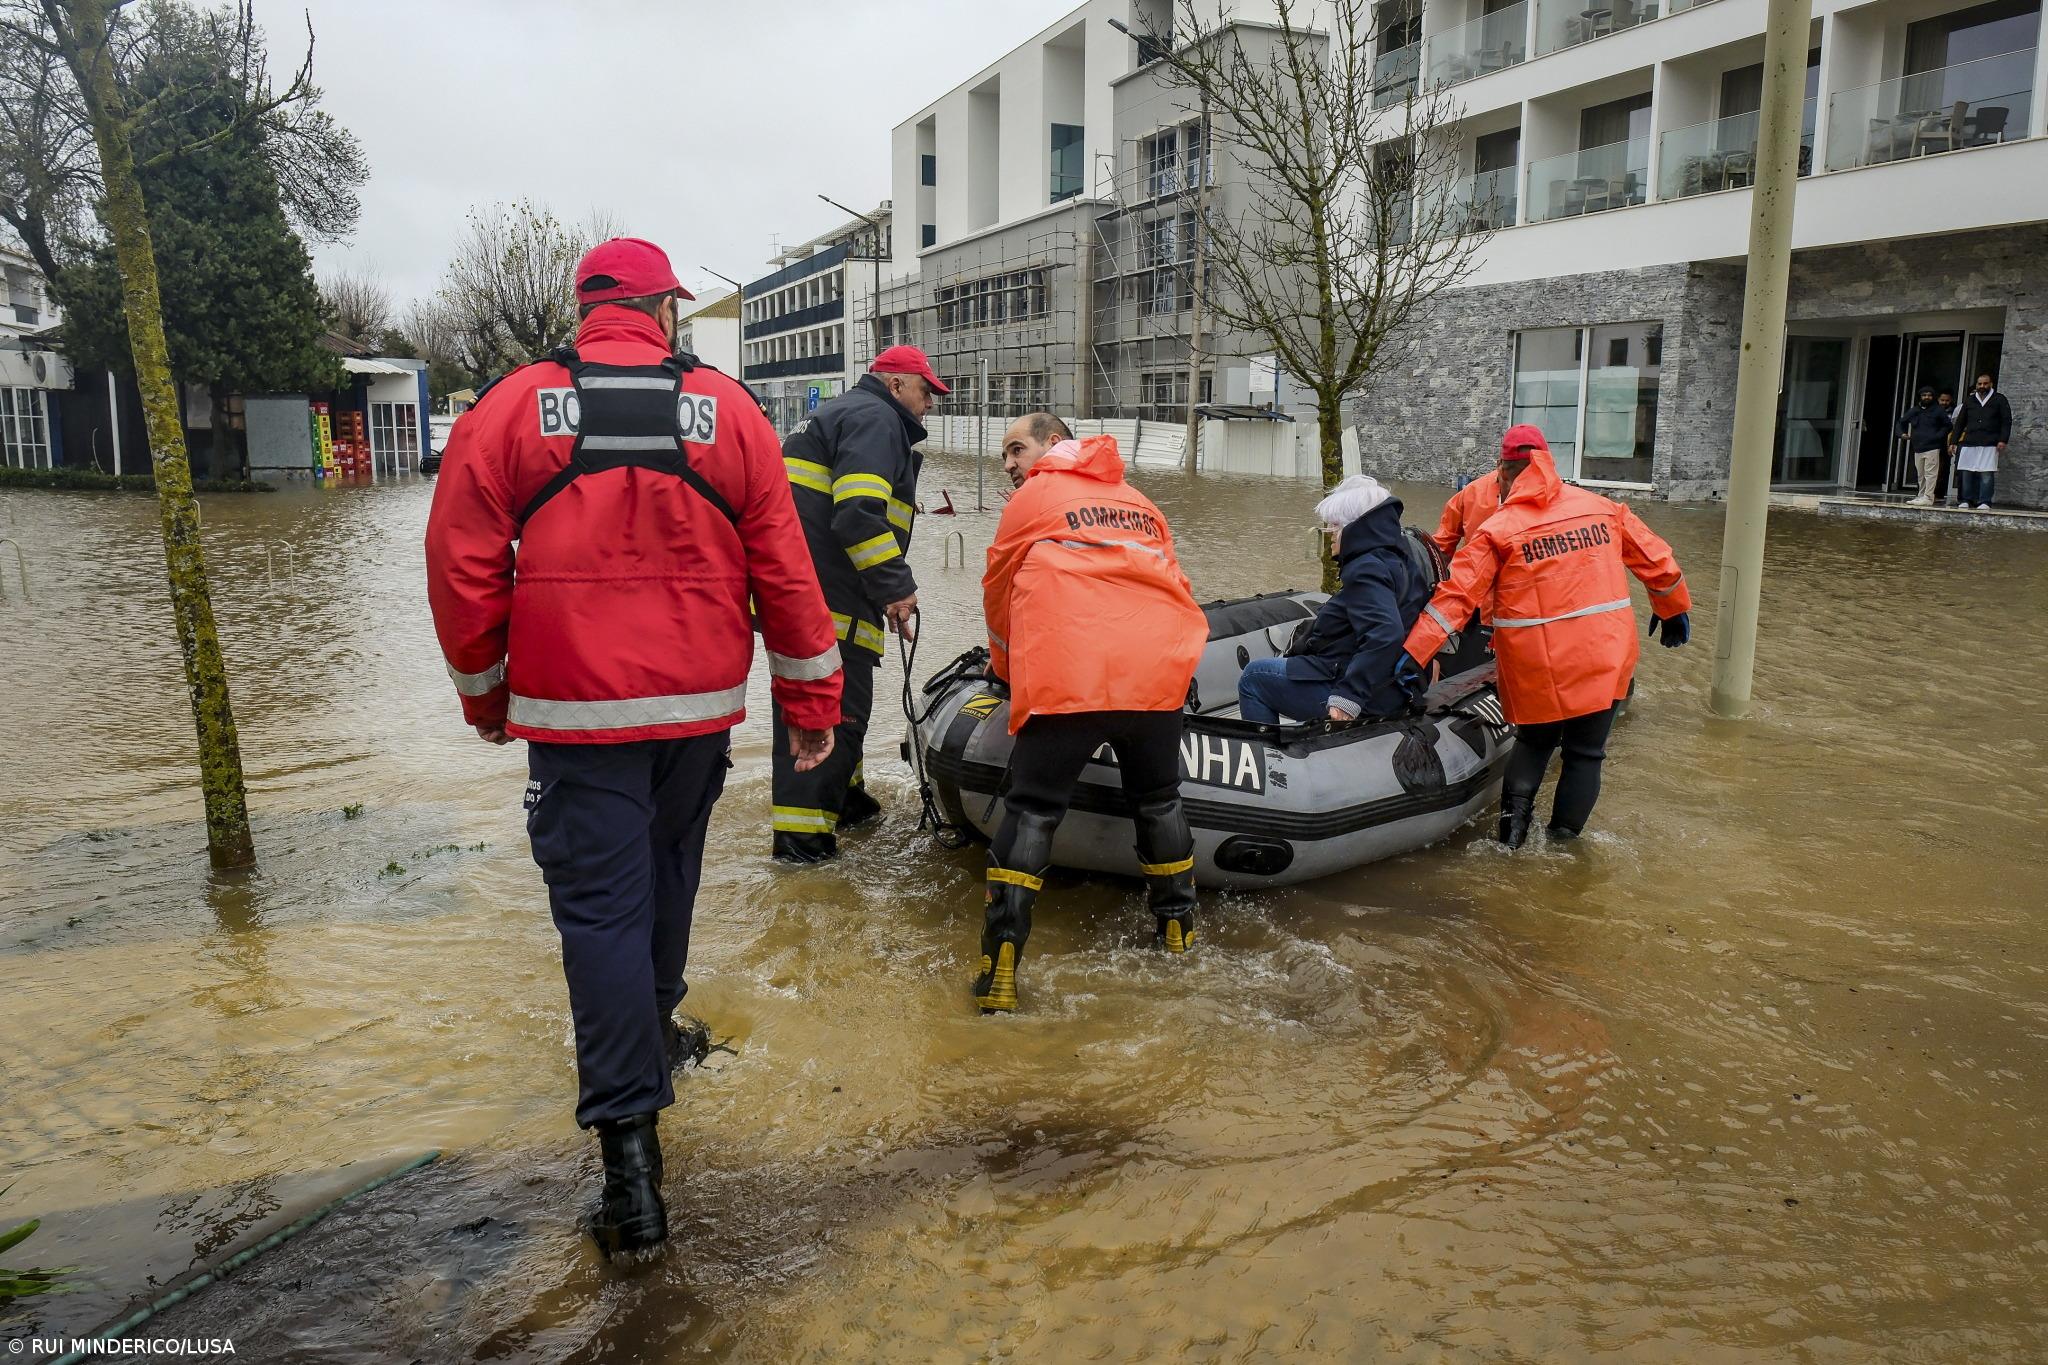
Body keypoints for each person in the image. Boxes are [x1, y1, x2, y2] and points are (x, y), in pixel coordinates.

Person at [424, 237, 843, 1260]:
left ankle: (630, 1176)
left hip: (575, 718)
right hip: (698, 710)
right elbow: (784, 564)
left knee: (602, 916)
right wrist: (810, 694)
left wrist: (486, 695)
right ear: (659, 310)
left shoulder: (511, 409)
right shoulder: (730, 411)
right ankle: (653, 1047)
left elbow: (459, 563)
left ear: (584, 311)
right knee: (666, 882)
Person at [977, 424, 1208, 1013]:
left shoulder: (1035, 497)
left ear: (1051, 446)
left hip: (1073, 672)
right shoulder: (1141, 503)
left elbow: (999, 593)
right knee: (1158, 799)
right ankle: (1177, 934)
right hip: (1157, 672)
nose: (1007, 464)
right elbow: (1175, 583)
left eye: (1014, 450)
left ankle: (999, 968)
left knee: (1032, 809)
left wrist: (1005, 672)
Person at [1395, 424, 1690, 849]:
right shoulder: (1603, 508)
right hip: (1606, 657)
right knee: (1586, 754)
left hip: (1540, 663)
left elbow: (1455, 598)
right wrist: (1673, 608)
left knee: (1533, 744)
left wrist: (1414, 653)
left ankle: (1509, 846)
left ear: (1504, 472)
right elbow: (1658, 562)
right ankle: (1563, 850)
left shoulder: (1498, 529)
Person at [771, 345, 947, 861]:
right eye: (925, 391)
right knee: (836, 720)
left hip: (810, 599)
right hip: (832, 608)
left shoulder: (839, 412)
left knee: (833, 714)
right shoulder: (876, 419)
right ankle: (804, 851)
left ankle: (848, 808)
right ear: (895, 385)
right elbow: (858, 515)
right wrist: (896, 587)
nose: (929, 404)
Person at [1237, 474, 1429, 725]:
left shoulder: (1365, 568)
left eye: (1334, 526)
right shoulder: (1401, 559)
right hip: (1392, 684)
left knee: (1253, 677)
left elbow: (1385, 633)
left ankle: (1270, 756)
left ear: (1353, 526)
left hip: (1365, 691)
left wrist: (1349, 697)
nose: (1329, 534)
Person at [1952, 372, 2013, 510]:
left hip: (1990, 442)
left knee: (1986, 473)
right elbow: (1960, 422)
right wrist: (1953, 441)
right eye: (1979, 384)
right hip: (1970, 441)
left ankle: (1984, 501)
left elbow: (2006, 421)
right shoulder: (1970, 400)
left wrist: (2003, 439)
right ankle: (1965, 499)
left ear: (1991, 384)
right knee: (1966, 471)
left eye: (1985, 383)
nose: (1982, 386)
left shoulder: (1999, 399)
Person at [1899, 385, 1953, 507]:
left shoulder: (1938, 410)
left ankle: (1928, 497)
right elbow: (1901, 422)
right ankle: (1921, 495)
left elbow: (1948, 425)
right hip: (1918, 446)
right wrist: (1901, 433)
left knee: (1931, 473)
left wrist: (1938, 436)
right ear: (1920, 397)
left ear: (1933, 397)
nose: (1927, 397)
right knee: (1921, 474)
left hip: (1933, 447)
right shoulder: (1915, 410)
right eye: (1924, 395)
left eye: (1929, 395)